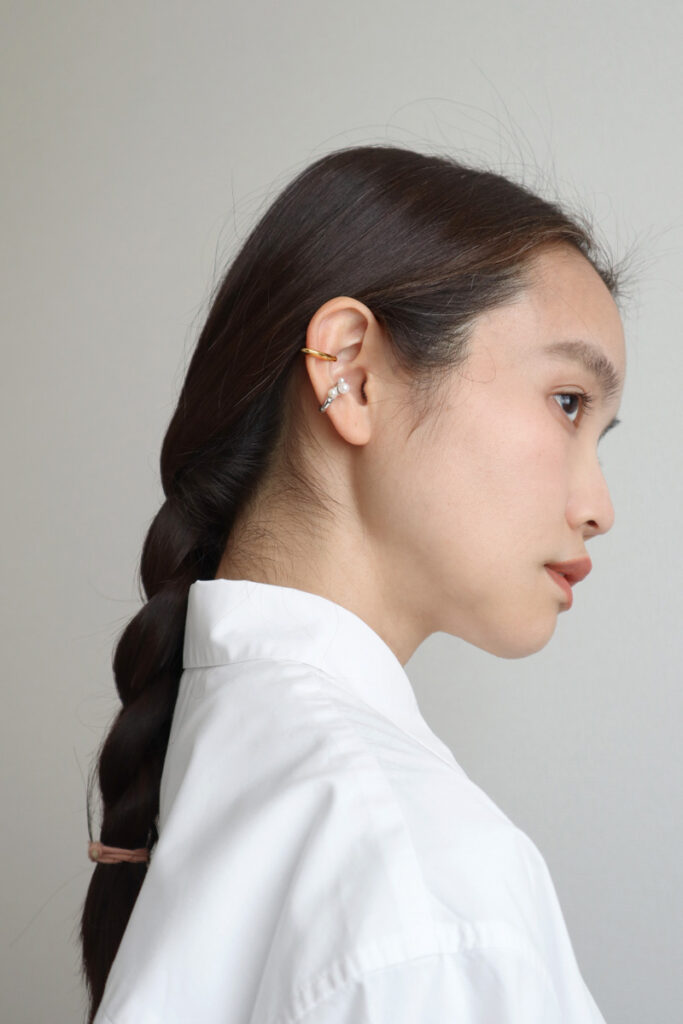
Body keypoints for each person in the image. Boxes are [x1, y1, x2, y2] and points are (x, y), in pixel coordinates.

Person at [80, 143, 627, 1023]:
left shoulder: (243, 774)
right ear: (350, 373)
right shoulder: (417, 877)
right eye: (567, 403)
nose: (598, 508)